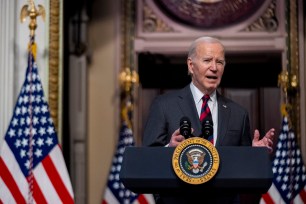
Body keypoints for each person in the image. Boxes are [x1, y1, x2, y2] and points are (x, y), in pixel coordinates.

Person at [142, 36, 275, 204]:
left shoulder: (238, 113)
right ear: (191, 65)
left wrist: (253, 155)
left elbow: (244, 172)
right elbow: (147, 162)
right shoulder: (163, 105)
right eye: (207, 60)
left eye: (219, 62)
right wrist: (169, 149)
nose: (214, 68)